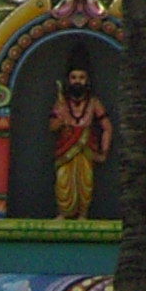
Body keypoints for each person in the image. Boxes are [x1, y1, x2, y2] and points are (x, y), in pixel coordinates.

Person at [49, 57, 112, 217]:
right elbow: (51, 127)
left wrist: (104, 151)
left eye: (81, 78)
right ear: (68, 80)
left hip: (86, 149)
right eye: (74, 78)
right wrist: (61, 119)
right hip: (65, 149)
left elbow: (107, 128)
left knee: (86, 182)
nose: (78, 81)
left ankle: (83, 214)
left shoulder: (93, 103)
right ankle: (63, 213)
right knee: (63, 181)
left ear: (87, 80)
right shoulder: (61, 103)